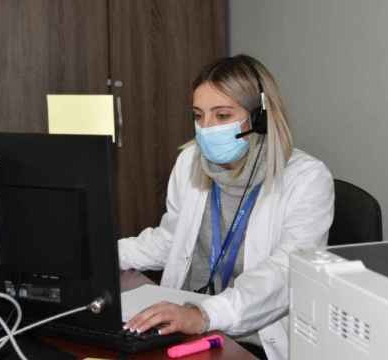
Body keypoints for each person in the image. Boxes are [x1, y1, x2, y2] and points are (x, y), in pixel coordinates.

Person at [119, 54, 334, 360]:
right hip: (188, 322)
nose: (206, 128)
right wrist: (102, 256)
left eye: (221, 116)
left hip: (254, 337)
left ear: (260, 117)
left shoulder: (307, 179)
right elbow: (170, 239)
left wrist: (205, 314)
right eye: (198, 115)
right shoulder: (190, 161)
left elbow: (285, 274)